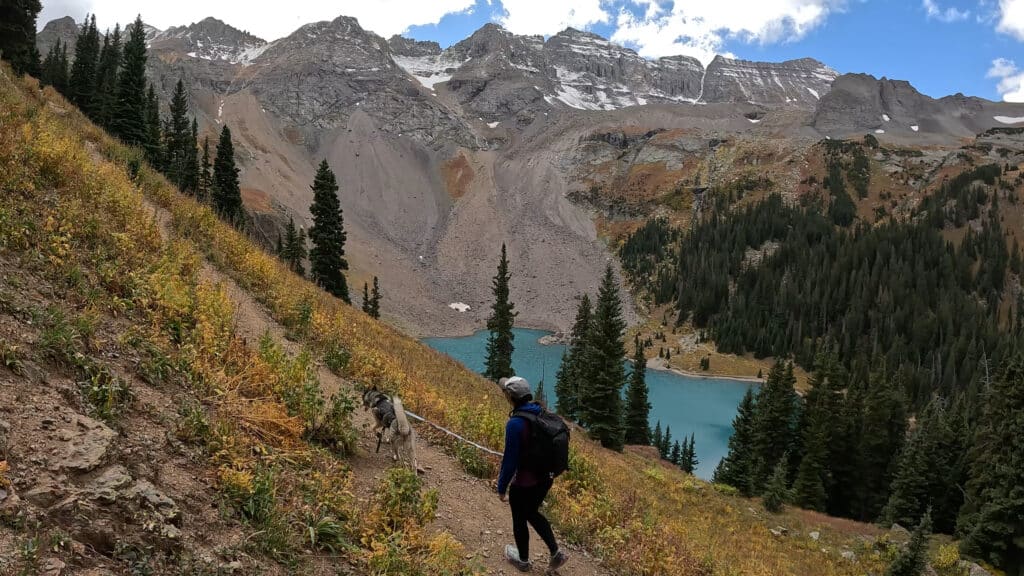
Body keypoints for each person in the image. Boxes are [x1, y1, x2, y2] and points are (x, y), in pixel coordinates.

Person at [497, 376, 569, 573]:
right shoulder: (540, 412)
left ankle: (523, 560)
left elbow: (510, 461)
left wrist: (501, 488)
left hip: (525, 481)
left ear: (510, 398)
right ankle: (556, 553)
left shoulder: (515, 424)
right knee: (532, 512)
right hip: (546, 478)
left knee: (519, 517)